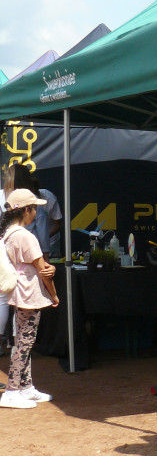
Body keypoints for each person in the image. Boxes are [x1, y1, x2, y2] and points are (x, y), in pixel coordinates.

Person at [0, 188, 59, 409]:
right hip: (29, 295)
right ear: (27, 210)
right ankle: (12, 391)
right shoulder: (25, 236)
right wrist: (53, 295)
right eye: (34, 208)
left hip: (19, 293)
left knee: (24, 341)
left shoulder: (9, 233)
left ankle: (25, 387)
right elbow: (43, 270)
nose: (37, 213)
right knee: (24, 343)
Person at [5, 163, 62, 261]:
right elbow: (43, 235)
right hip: (31, 255)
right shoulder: (32, 200)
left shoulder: (3, 198)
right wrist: (46, 260)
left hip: (8, 254)